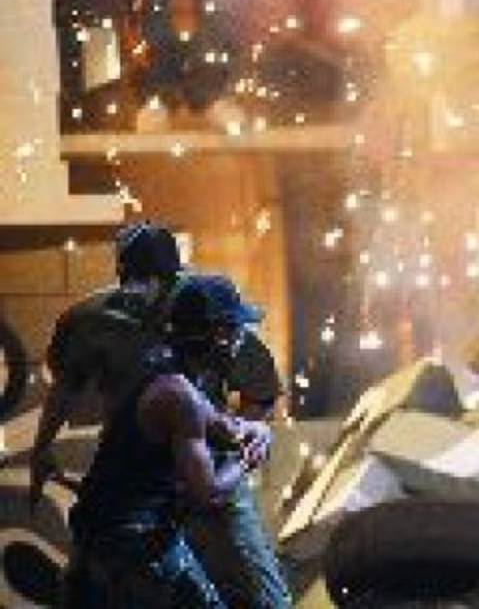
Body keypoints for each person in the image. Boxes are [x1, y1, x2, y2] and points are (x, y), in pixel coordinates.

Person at [31, 221, 292, 608]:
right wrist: (42, 449)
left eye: (152, 280)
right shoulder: (99, 325)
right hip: (147, 492)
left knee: (262, 594)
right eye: (133, 280)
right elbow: (68, 386)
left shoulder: (207, 312)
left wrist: (249, 432)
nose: (141, 292)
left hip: (202, 467)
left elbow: (253, 396)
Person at [61, 274, 269, 608]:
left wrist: (254, 428)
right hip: (130, 551)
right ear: (219, 335)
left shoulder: (166, 372)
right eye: (236, 329)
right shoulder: (178, 395)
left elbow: (218, 425)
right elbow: (208, 494)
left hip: (110, 542)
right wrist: (247, 460)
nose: (242, 338)